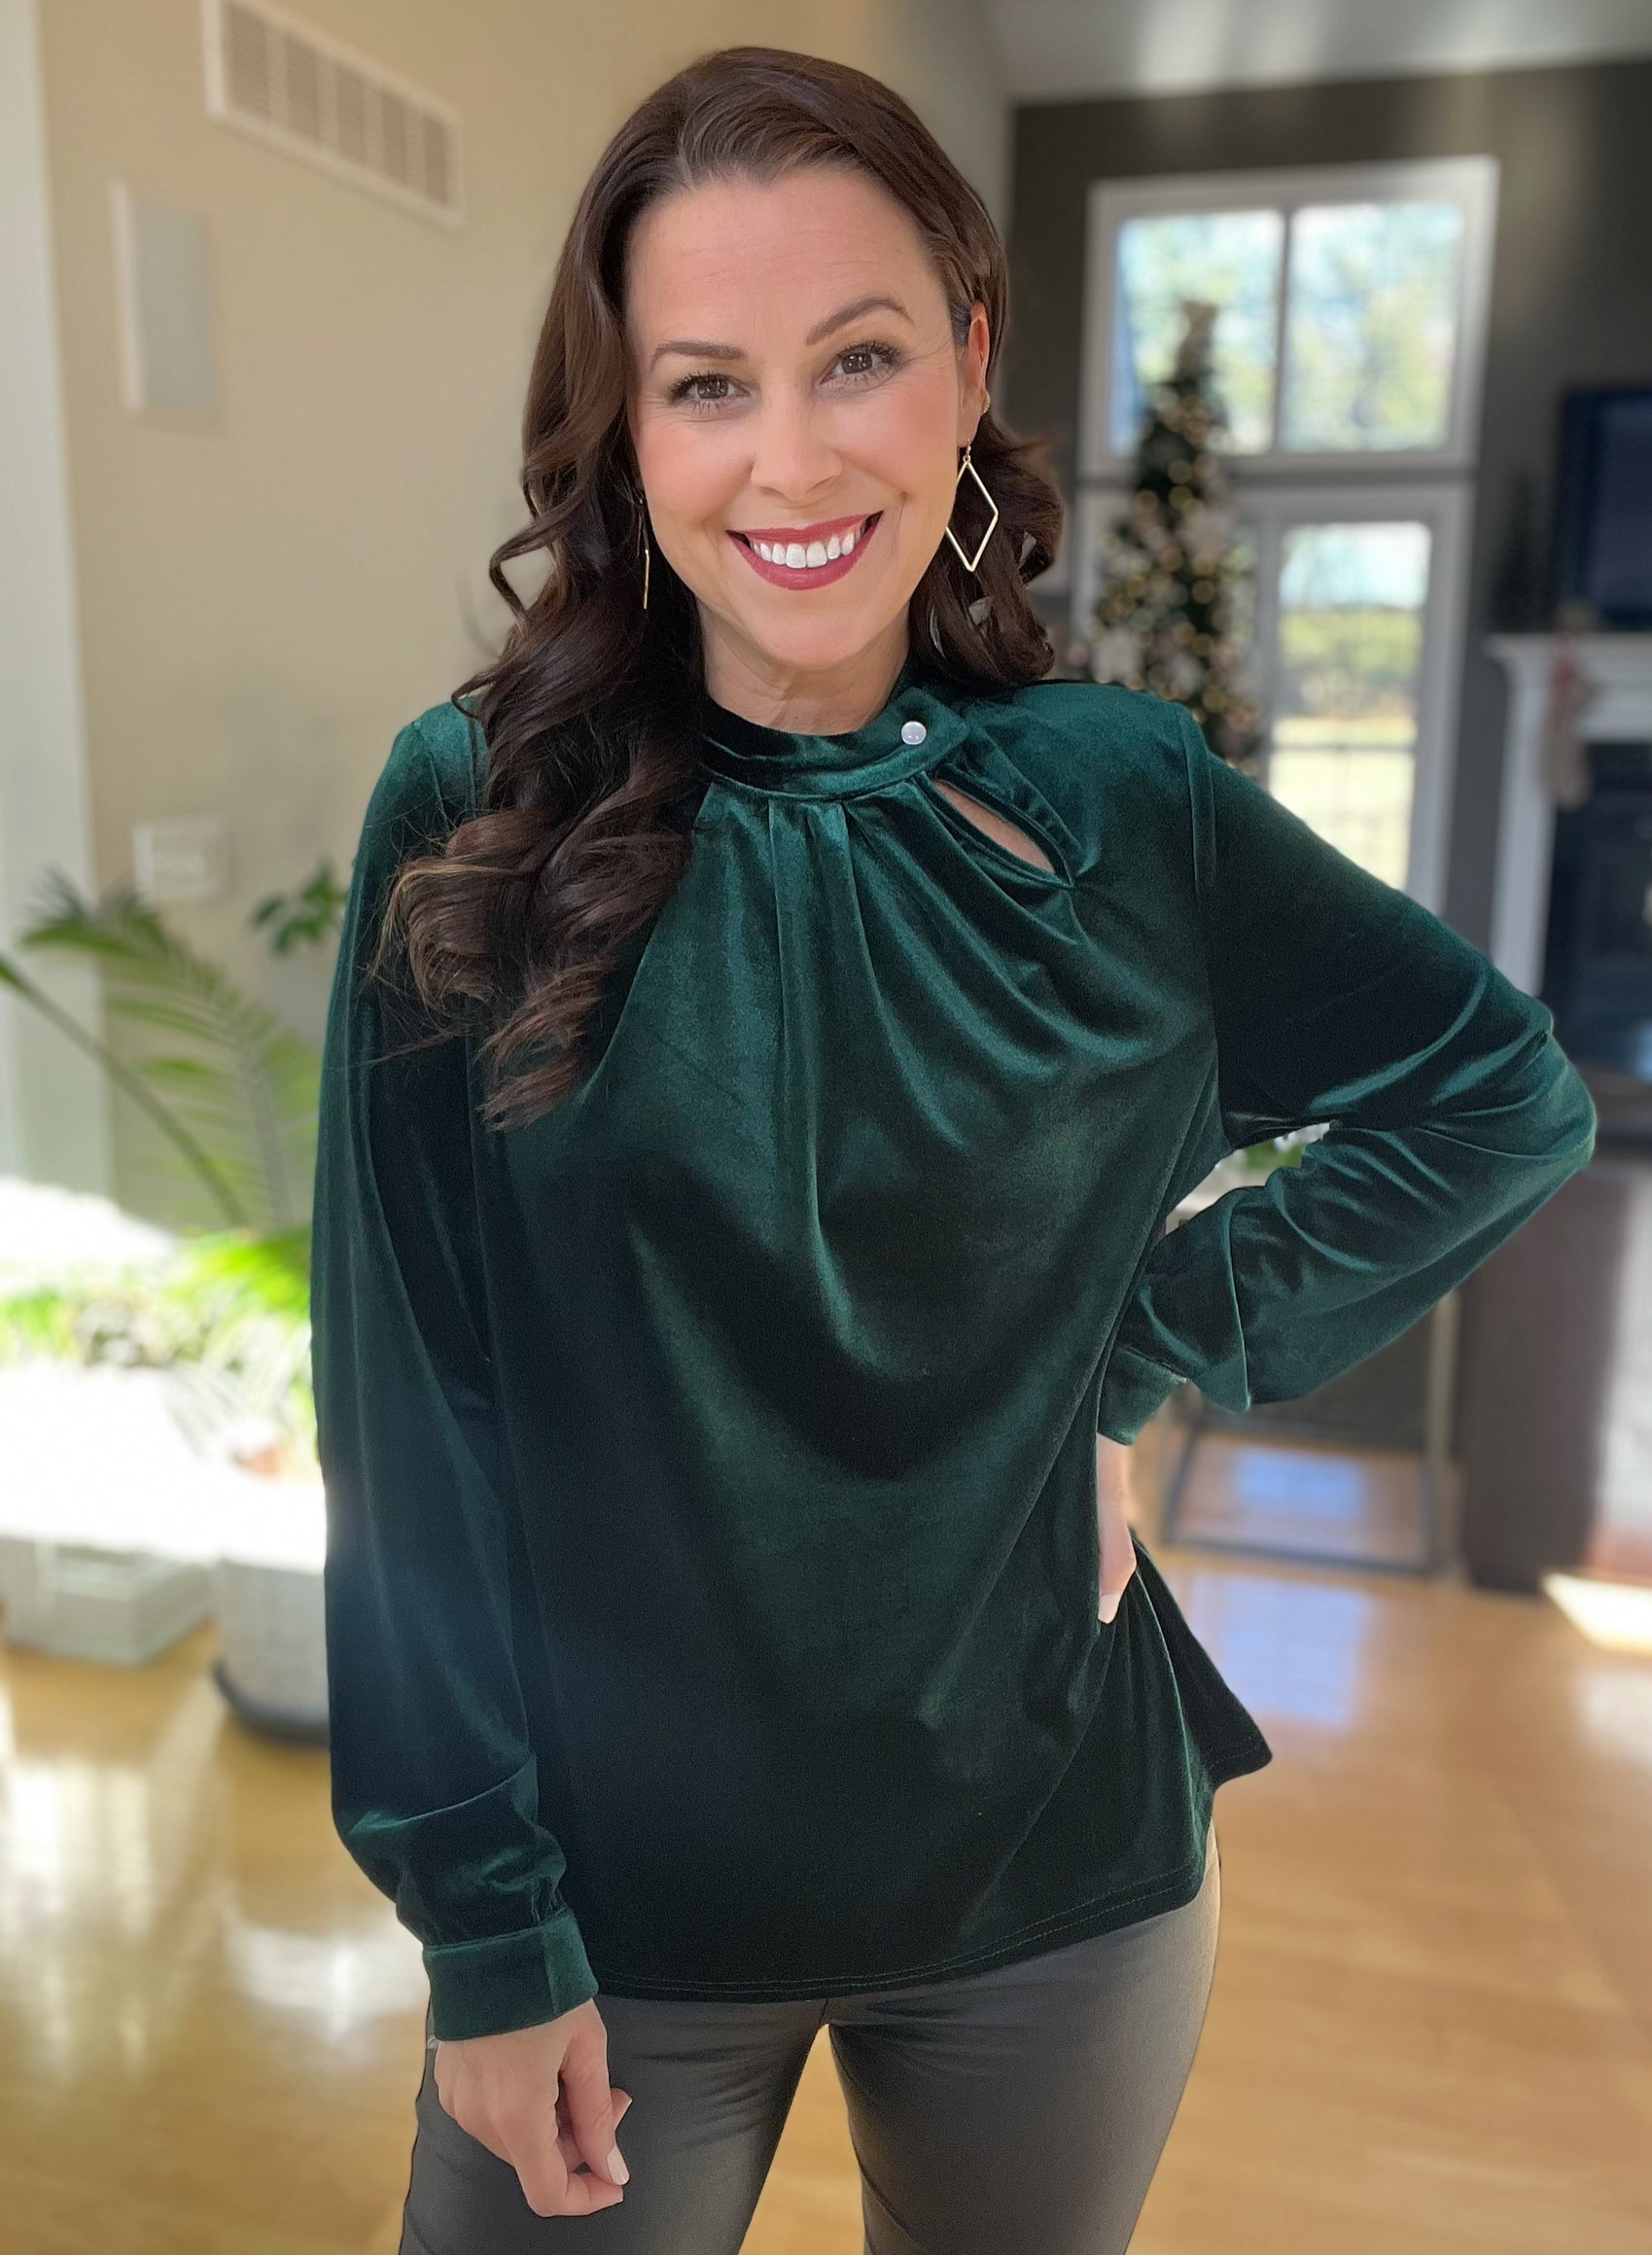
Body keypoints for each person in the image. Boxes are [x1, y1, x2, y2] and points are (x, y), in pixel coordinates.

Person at [308, 45, 1598, 2255]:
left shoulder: (1122, 801)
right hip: (620, 1898)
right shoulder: (478, 811)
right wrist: (485, 1921)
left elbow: (1501, 1094)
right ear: (628, 428)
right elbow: (404, 1397)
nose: (791, 457)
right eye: (706, 385)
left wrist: (1134, 1349)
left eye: (860, 358)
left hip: (1059, 1877)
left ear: (968, 362)